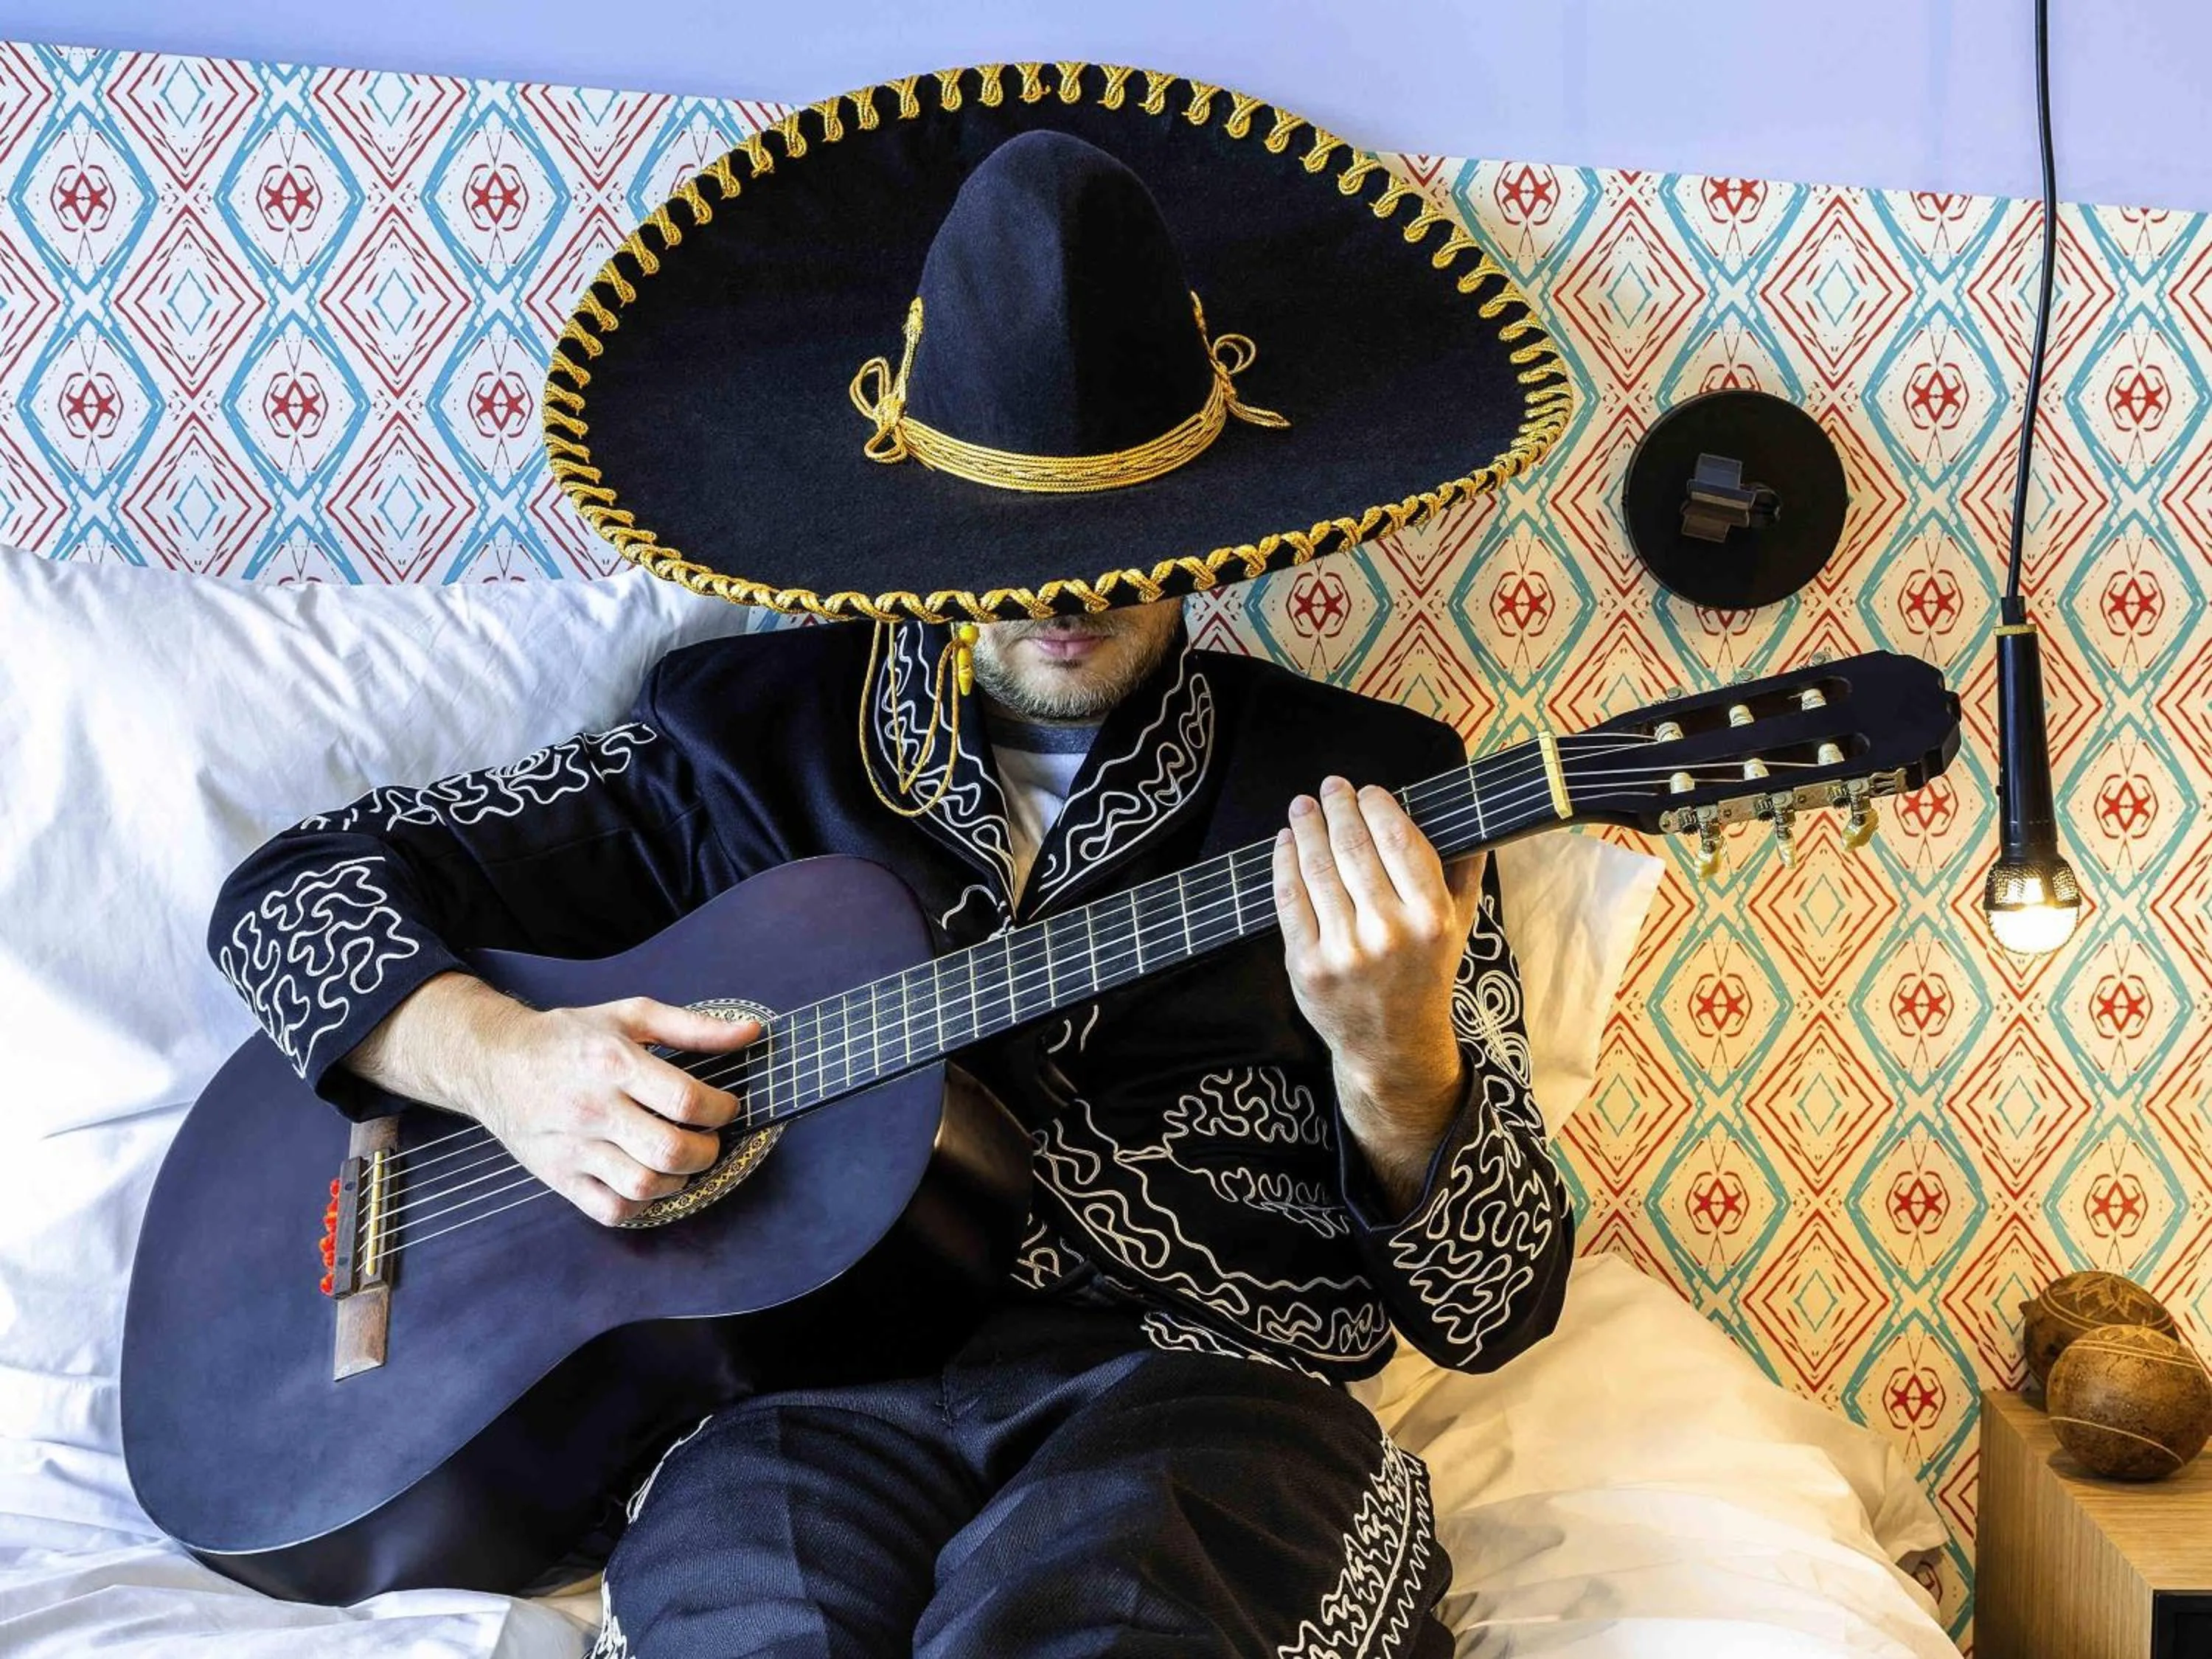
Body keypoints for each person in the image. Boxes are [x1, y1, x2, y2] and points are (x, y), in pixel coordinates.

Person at [208, 65, 1578, 1659]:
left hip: (1200, 1398)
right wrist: (509, 1064)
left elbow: (1494, 1303)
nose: (1065, 597)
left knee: (1099, 1620)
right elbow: (295, 896)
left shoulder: (1377, 797)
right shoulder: (736, 738)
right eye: (1015, 551)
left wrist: (1397, 1055)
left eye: (1121, 550)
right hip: (793, 1408)